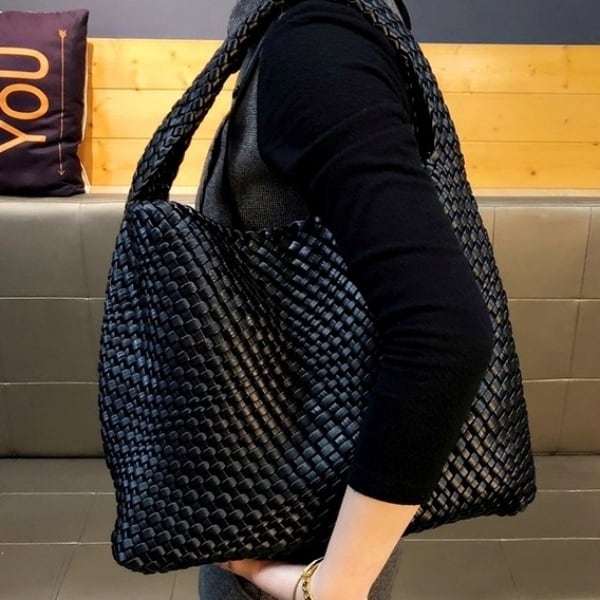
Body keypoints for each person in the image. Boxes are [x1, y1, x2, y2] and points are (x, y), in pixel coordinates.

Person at [197, 0, 494, 598]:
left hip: (285, 532)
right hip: (277, 496)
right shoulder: (305, 36)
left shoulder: (317, 43)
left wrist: (332, 585)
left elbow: (444, 332)